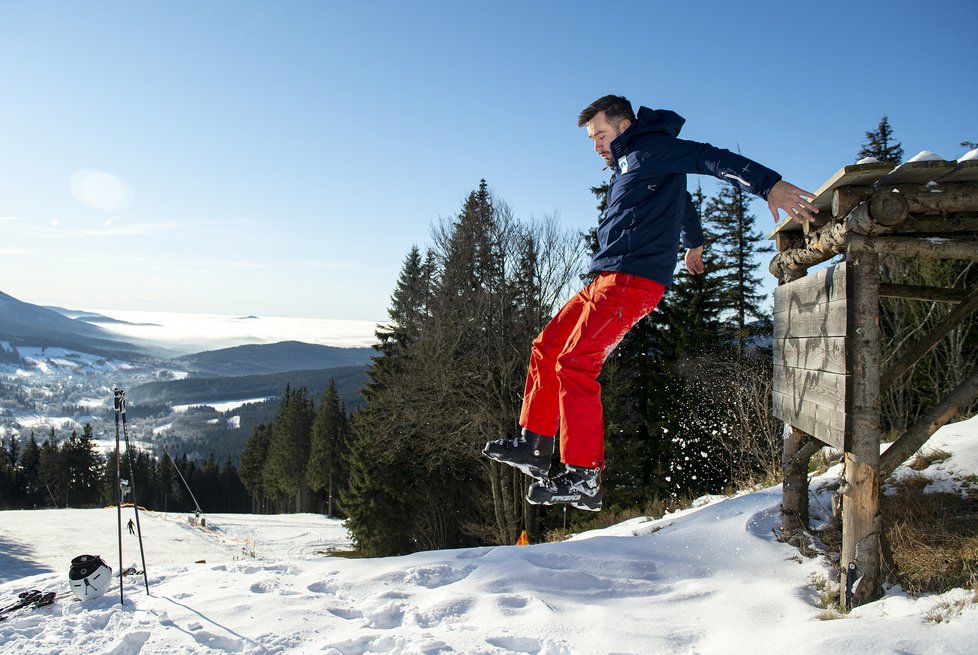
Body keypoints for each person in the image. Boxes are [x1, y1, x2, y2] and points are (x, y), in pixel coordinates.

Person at [484, 94, 817, 511]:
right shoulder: (634, 164)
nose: (597, 147)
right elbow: (682, 200)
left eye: (601, 135)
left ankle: (585, 478)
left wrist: (768, 185)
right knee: (546, 347)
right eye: (592, 140)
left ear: (624, 126)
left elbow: (709, 158)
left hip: (632, 283)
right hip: (606, 279)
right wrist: (693, 243)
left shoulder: (650, 149)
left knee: (575, 363)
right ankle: (535, 445)